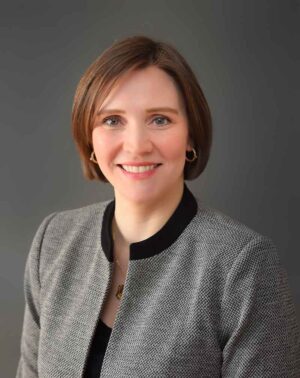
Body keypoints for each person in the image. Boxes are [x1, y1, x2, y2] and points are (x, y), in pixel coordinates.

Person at [16, 35, 299, 378]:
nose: (137, 146)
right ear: (89, 139)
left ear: (191, 135)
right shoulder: (54, 240)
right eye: (112, 120)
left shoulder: (243, 267)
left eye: (160, 119)